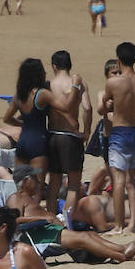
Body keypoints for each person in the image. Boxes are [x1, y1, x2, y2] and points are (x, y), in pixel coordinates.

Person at [8, 166, 135, 262]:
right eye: (35, 179)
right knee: (84, 238)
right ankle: (122, 255)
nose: (39, 183)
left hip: (49, 231)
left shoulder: (27, 198)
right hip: (40, 236)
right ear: (26, 181)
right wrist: (42, 217)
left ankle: (123, 249)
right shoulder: (15, 198)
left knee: (90, 234)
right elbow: (14, 220)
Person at [102, 41, 135, 234]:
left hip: (120, 131)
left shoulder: (113, 82)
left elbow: (105, 103)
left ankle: (118, 226)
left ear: (119, 59)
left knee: (119, 180)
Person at [45, 50, 92, 215]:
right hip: (71, 136)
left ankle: (51, 219)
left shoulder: (48, 85)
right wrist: (87, 132)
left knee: (54, 183)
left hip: (52, 135)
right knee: (73, 184)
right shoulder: (79, 83)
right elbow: (87, 108)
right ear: (70, 65)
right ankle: (67, 220)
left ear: (54, 66)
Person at [2, 57, 54, 176]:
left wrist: (24, 123)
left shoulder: (19, 96)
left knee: (21, 186)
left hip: (22, 142)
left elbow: (7, 119)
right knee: (36, 187)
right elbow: (64, 107)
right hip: (38, 141)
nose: (45, 73)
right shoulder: (43, 94)